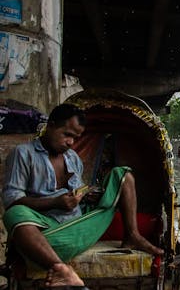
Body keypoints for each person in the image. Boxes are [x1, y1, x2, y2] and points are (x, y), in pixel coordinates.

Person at [1, 104, 163, 288]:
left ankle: (132, 235)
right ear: (51, 125)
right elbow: (11, 199)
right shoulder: (23, 153)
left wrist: (87, 195)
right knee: (14, 214)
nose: (71, 142)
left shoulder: (72, 158)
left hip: (82, 225)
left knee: (123, 175)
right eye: (67, 134)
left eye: (75, 138)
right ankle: (61, 269)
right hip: (47, 234)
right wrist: (54, 202)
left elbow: (78, 191)